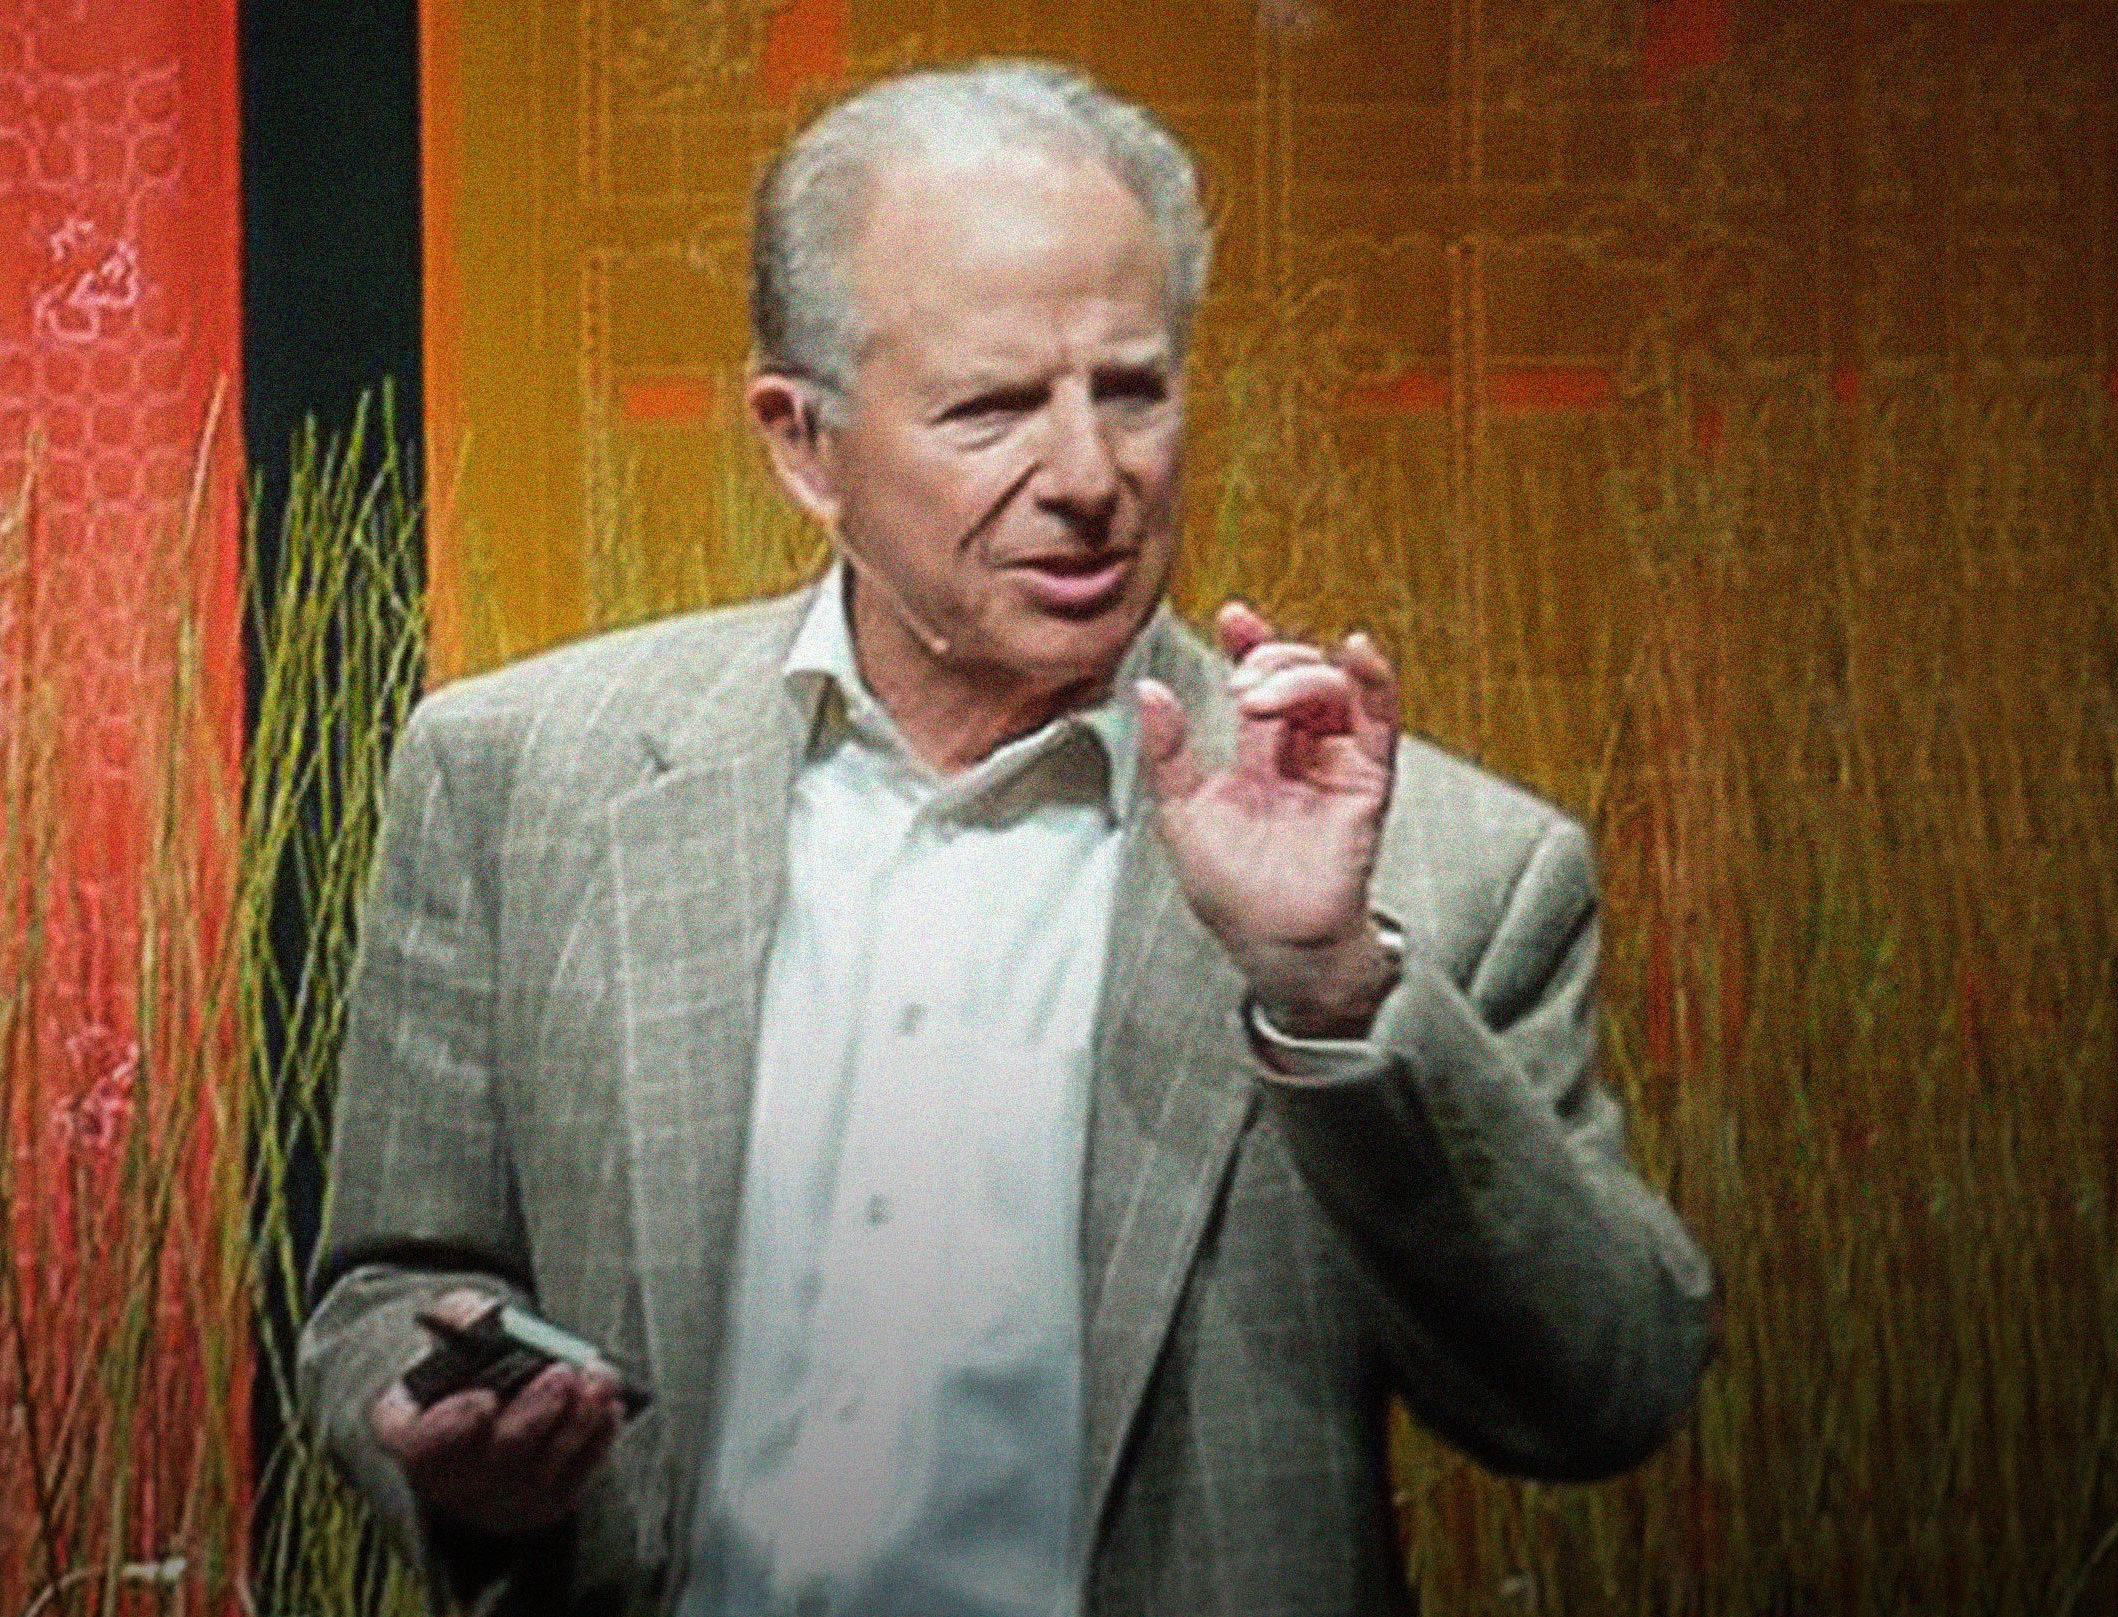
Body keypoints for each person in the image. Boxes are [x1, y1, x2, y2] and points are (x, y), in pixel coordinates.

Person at [299, 59, 1715, 1617]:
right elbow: (384, 1289)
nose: (1090, 477)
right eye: (991, 407)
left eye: (1132, 390)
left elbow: (1602, 1391)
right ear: (802, 440)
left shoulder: (1436, 868)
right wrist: (450, 1455)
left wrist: (1330, 993)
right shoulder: (521, 780)